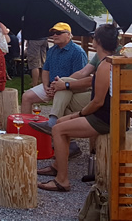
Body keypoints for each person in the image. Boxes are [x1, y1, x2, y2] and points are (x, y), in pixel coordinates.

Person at [36, 24, 118, 192]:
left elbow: (98, 102)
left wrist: (79, 114)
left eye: (94, 37)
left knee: (59, 130)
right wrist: (64, 84)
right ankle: (58, 166)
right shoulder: (105, 61)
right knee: (59, 123)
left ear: (98, 41)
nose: (92, 39)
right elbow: (83, 76)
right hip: (102, 114)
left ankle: (62, 180)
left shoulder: (105, 66)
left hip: (104, 118)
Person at [20, 22, 88, 115]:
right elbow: (46, 70)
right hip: (51, 86)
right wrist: (46, 86)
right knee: (26, 97)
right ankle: (25, 127)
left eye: (58, 33)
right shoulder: (52, 50)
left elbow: (80, 76)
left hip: (69, 88)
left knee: (63, 111)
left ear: (68, 35)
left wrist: (59, 86)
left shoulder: (77, 52)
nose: (55, 35)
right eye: (53, 33)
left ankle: (55, 124)